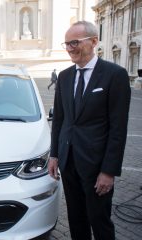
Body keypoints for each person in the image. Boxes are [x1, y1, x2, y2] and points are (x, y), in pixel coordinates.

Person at [48, 21, 131, 240]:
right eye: (66, 44)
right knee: (76, 219)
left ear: (94, 41)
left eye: (74, 42)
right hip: (68, 162)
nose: (69, 48)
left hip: (97, 167)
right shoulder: (64, 77)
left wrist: (109, 171)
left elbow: (118, 128)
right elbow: (60, 120)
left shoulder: (115, 75)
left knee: (99, 221)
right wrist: (54, 154)